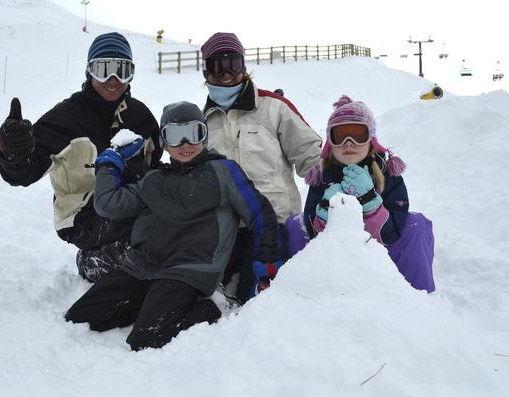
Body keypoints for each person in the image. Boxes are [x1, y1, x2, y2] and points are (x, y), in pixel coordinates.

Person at [64, 101, 283, 350]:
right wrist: (109, 164)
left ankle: (211, 307)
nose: (186, 144)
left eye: (194, 133)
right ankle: (146, 305)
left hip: (188, 271)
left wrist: (265, 265)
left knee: (145, 340)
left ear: (205, 135)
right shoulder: (155, 179)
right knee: (78, 318)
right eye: (176, 136)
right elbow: (108, 205)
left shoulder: (223, 171)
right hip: (141, 268)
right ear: (165, 142)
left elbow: (260, 214)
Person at [0, 32, 162, 282]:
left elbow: (155, 163)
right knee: (149, 233)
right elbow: (25, 171)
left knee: (168, 218)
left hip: (128, 203)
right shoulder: (66, 119)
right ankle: (98, 262)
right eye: (103, 69)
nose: (113, 80)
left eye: (122, 70)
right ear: (89, 71)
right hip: (84, 216)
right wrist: (13, 153)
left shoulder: (140, 116)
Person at [200, 32, 323, 302]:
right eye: (217, 66)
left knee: (262, 298)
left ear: (244, 67)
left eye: (233, 64)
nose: (226, 74)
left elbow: (312, 159)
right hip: (227, 231)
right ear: (205, 71)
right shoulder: (201, 123)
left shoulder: (273, 108)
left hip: (276, 223)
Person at [288, 95, 435, 292]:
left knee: (416, 226)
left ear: (371, 139)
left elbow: (393, 231)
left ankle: (417, 297)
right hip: (333, 258)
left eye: (358, 134)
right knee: (294, 226)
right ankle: (296, 294)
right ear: (331, 142)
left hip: (382, 251)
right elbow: (313, 234)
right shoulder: (322, 176)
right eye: (340, 136)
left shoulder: (387, 173)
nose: (349, 143)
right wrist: (324, 213)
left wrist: (369, 200)